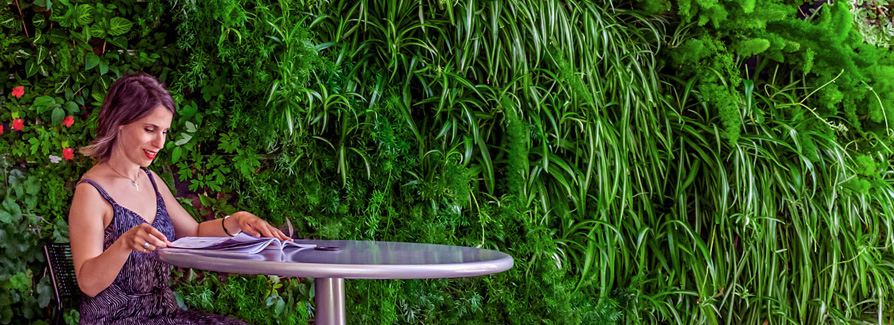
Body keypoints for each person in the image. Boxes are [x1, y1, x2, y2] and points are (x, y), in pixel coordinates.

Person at [68, 73, 290, 324]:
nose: (160, 142)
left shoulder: (150, 180)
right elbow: (88, 283)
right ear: (120, 123)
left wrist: (236, 221)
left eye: (164, 132)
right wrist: (124, 243)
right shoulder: (91, 192)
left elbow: (194, 232)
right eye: (149, 129)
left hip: (166, 316)